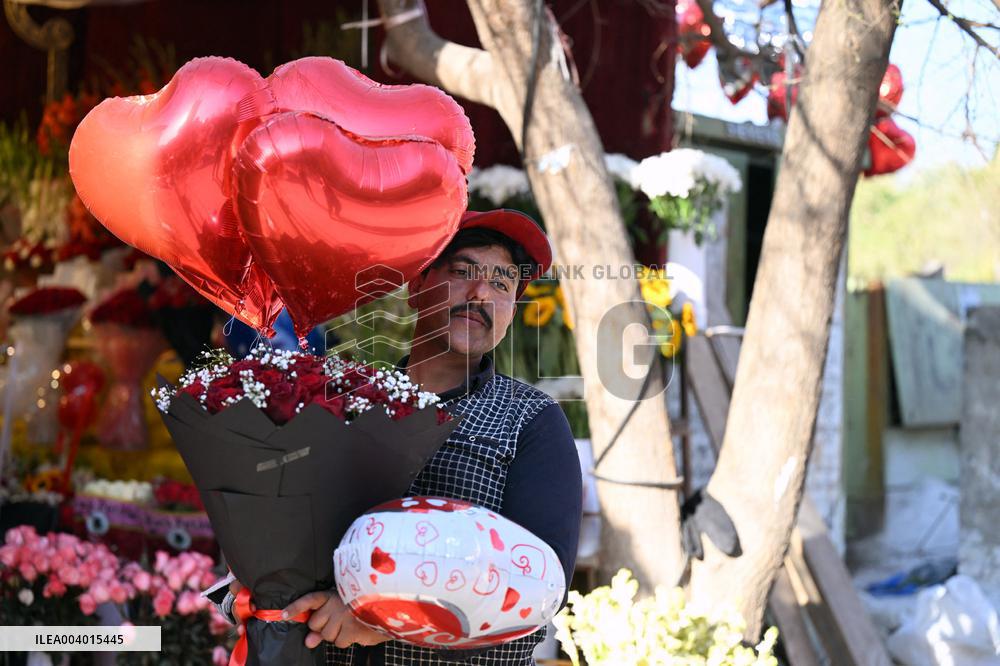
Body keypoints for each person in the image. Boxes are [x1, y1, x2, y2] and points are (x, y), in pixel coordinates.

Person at [208, 209, 583, 665]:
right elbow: (285, 534)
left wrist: (381, 622)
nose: (480, 293)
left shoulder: (531, 421)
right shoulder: (341, 401)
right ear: (416, 288)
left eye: (502, 284)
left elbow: (539, 591)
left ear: (508, 316)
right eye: (463, 272)